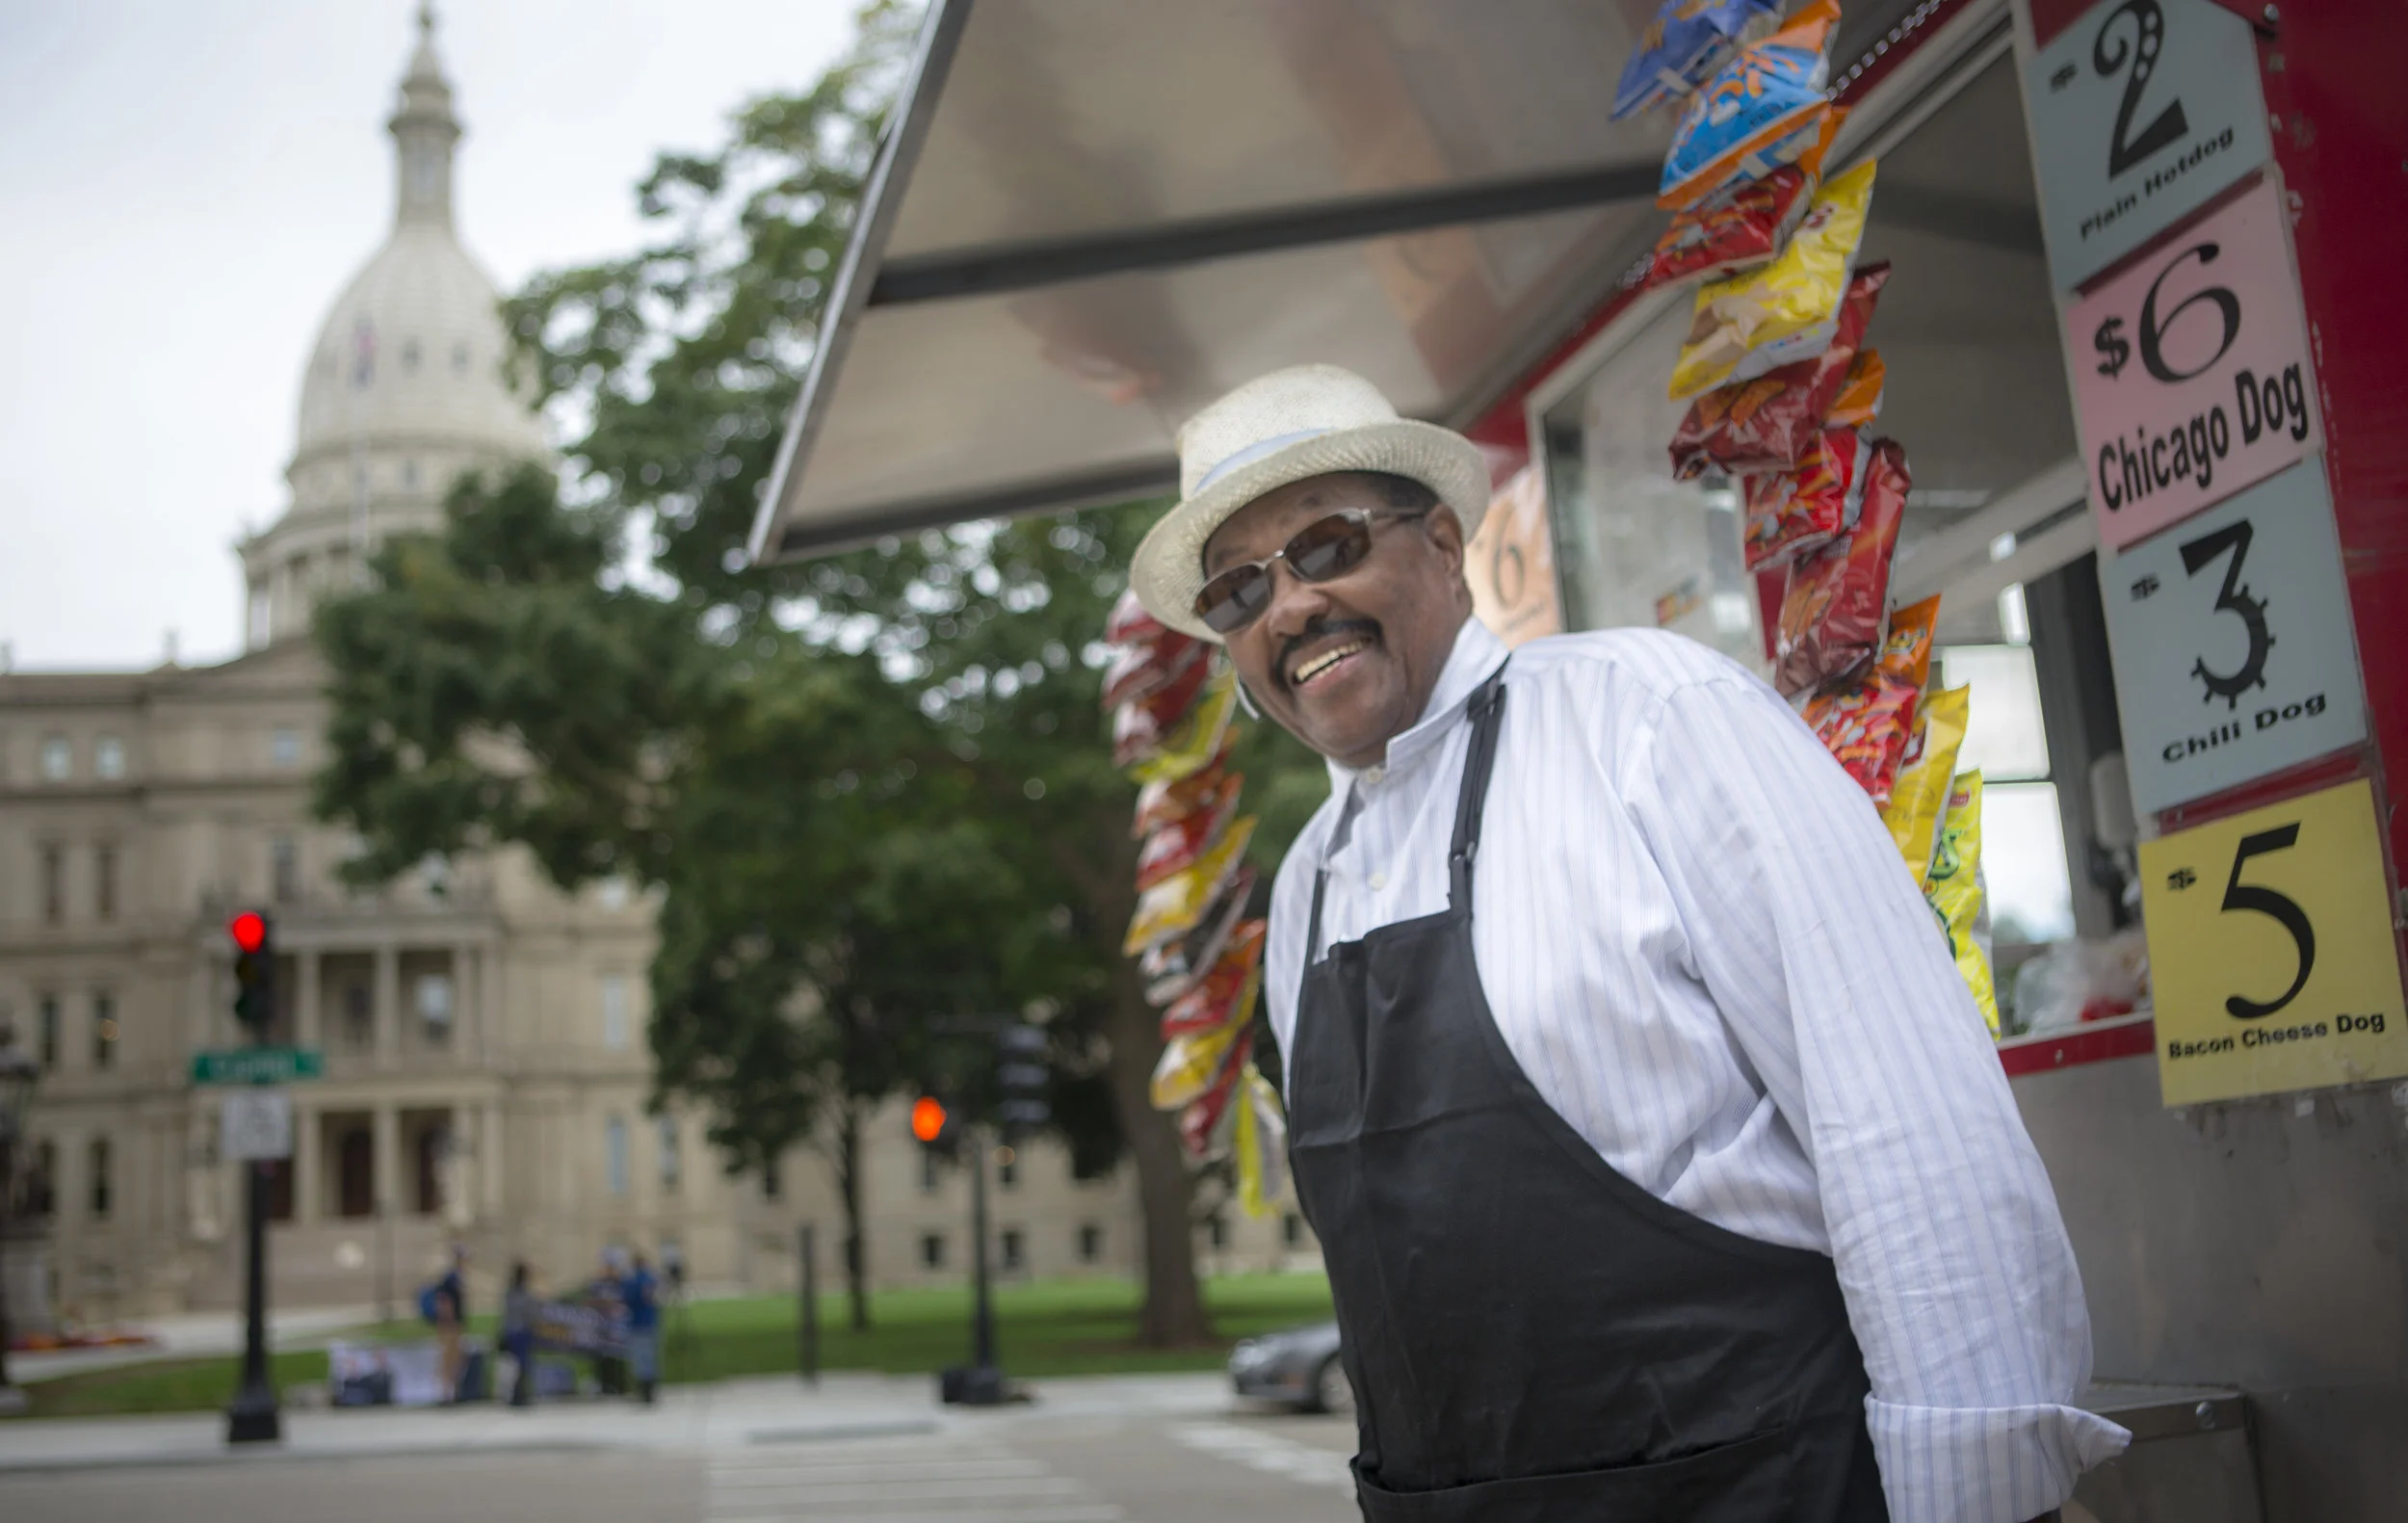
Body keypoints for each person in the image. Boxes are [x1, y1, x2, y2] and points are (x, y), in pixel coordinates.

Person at [1125, 365, 2129, 1523]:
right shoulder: (1302, 886)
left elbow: (1906, 1131)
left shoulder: (1653, 721)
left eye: (1326, 545)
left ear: (1443, 543)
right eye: (1238, 592)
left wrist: (1982, 1499)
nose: (1288, 608)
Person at [428, 1246, 467, 1404]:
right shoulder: (451, 1278)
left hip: (454, 1324)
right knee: (448, 1361)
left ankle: (453, 1392)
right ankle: (446, 1394)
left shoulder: (456, 1277)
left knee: (455, 1360)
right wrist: (449, 1321)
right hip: (450, 1325)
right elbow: (445, 1302)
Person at [620, 1251, 661, 1404]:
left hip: (638, 1323)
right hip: (651, 1322)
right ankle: (651, 1389)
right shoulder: (652, 1279)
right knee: (651, 1357)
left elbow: (627, 1298)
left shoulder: (633, 1281)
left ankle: (645, 1392)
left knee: (640, 1359)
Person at [499, 1260, 538, 1407]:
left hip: (511, 1331)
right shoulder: (522, 1294)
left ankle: (517, 1393)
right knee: (520, 1365)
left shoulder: (509, 1293)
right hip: (520, 1333)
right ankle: (518, 1394)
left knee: (515, 1366)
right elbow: (530, 1313)